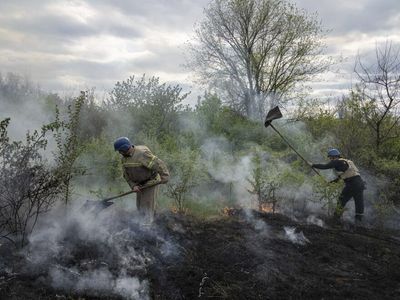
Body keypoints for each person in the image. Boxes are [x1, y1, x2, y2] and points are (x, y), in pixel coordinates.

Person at [114, 137, 169, 224]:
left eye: (120, 150)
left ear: (125, 148)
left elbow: (158, 163)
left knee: (146, 207)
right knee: (139, 207)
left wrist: (165, 175)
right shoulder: (124, 159)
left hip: (151, 182)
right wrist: (133, 186)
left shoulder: (142, 154)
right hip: (139, 185)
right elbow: (126, 175)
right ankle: (148, 223)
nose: (119, 153)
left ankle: (147, 228)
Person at [311, 148, 366, 224]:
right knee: (359, 202)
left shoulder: (337, 161)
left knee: (341, 201)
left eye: (330, 157)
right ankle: (359, 222)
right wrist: (330, 183)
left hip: (352, 184)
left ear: (334, 157)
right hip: (360, 183)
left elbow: (325, 166)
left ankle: (335, 219)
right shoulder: (346, 162)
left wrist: (313, 165)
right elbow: (342, 177)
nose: (330, 159)